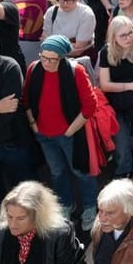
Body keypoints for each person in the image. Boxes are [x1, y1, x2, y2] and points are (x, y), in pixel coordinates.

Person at [24, 35, 109, 235]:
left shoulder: (76, 72)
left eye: (51, 59)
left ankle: (89, 207)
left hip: (69, 135)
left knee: (80, 171)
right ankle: (66, 205)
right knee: (57, 172)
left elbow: (90, 106)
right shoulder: (33, 69)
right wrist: (34, 125)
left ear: (62, 58)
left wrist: (70, 130)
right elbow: (26, 99)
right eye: (43, 57)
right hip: (44, 135)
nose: (46, 62)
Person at [98, 14, 133, 187]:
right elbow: (104, 85)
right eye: (123, 35)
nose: (129, 38)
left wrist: (122, 86)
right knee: (121, 143)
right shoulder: (106, 52)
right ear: (113, 36)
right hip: (116, 106)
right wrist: (129, 86)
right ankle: (123, 170)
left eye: (131, 33)